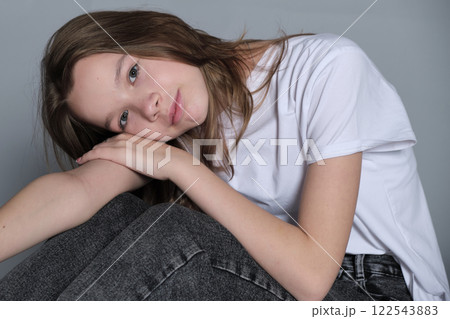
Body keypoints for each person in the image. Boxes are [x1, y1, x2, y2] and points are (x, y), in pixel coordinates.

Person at [0, 10, 448, 301]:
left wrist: (182, 167)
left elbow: (314, 278)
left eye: (133, 72)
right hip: (282, 282)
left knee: (173, 232)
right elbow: (77, 190)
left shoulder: (328, 68)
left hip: (383, 295)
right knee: (111, 220)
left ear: (157, 35)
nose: (147, 107)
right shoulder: (170, 132)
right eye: (121, 119)